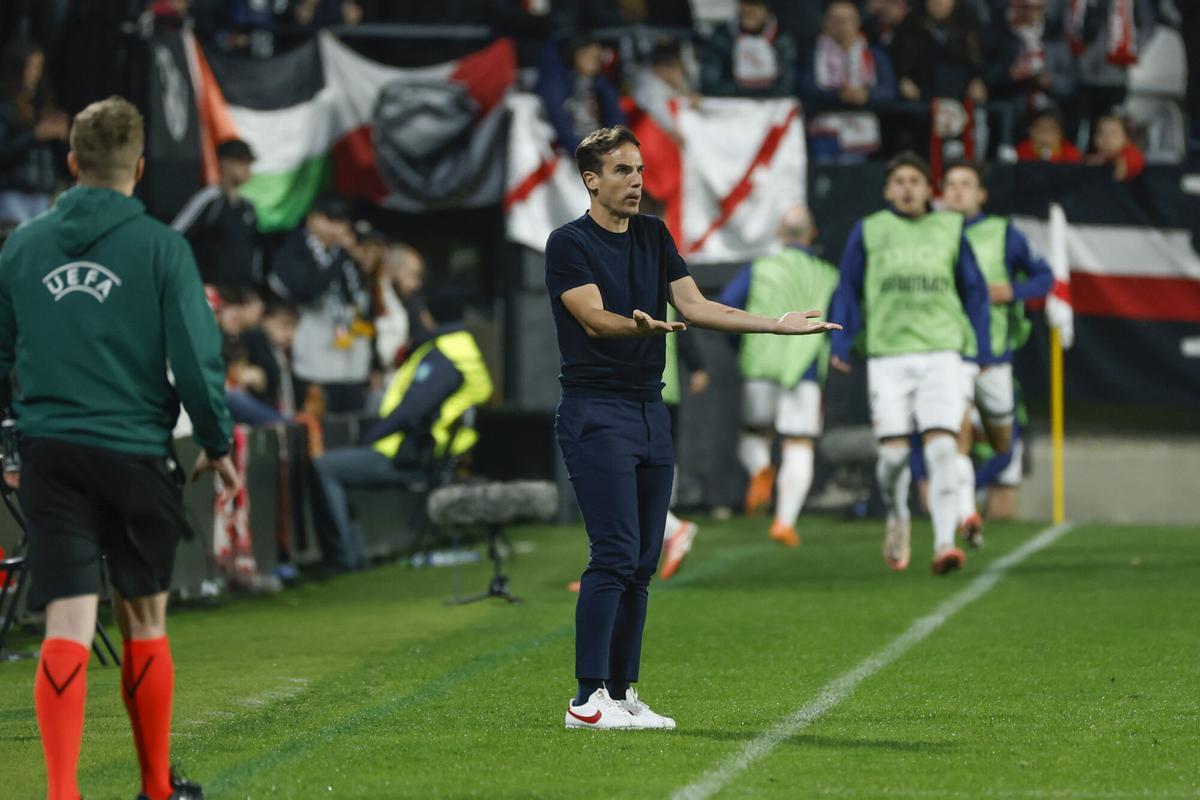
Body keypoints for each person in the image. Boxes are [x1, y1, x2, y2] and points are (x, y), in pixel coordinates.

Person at [547, 125, 839, 730]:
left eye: (639, 170)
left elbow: (698, 306)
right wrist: (639, 327)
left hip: (650, 410)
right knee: (614, 552)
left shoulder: (654, 234)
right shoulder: (567, 242)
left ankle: (623, 695)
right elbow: (593, 317)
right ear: (591, 180)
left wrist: (775, 326)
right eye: (622, 171)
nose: (635, 182)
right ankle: (585, 699)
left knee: (644, 561)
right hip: (595, 410)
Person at [0, 96, 237, 800]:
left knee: (67, 622)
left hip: (50, 453)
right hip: (135, 450)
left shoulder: (20, 246)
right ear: (137, 167)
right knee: (142, 617)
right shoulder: (163, 248)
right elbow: (196, 360)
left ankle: (62, 793)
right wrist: (218, 439)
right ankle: (156, 791)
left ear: (73, 163)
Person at [828, 151, 991, 576]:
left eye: (914, 181)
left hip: (942, 351)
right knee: (894, 459)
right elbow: (848, 287)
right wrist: (841, 343)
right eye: (898, 181)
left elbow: (975, 291)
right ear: (887, 190)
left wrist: (980, 348)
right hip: (889, 354)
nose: (906, 188)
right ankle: (897, 513)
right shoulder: (869, 231)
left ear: (928, 190)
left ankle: (943, 543)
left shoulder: (950, 227)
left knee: (941, 447)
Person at [310, 293, 492, 571]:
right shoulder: (464, 349)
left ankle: (343, 559)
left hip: (411, 455)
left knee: (325, 466)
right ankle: (353, 555)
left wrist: (369, 438)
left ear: (427, 316)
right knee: (336, 467)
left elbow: (411, 411)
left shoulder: (443, 356)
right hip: (436, 454)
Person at [940, 160, 1051, 546]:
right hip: (947, 354)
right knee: (952, 433)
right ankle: (962, 506)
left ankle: (967, 492)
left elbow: (1044, 277)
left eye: (965, 184)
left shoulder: (1004, 234)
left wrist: (1012, 291)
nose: (956, 191)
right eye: (950, 184)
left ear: (981, 194)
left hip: (993, 356)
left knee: (1004, 446)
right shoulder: (929, 233)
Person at [719, 205, 840, 547]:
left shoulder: (760, 269)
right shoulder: (828, 274)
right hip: (804, 369)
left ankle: (759, 468)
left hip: (760, 362)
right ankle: (784, 522)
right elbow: (845, 319)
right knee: (798, 443)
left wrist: (740, 347)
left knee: (753, 433)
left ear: (778, 234)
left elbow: (728, 305)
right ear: (812, 234)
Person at [268, 193, 373, 414]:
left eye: (341, 222)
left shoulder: (346, 255)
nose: (336, 229)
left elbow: (359, 300)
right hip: (310, 358)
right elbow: (309, 290)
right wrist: (342, 256)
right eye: (330, 221)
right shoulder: (293, 251)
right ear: (313, 219)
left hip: (349, 361)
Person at [801, 0, 898, 162]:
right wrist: (839, 95)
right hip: (823, 137)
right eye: (836, 20)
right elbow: (805, 88)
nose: (842, 26)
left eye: (847, 20)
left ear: (857, 22)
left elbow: (889, 91)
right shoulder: (813, 55)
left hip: (862, 137)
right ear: (825, 23)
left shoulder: (874, 55)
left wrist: (866, 96)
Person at [172, 138, 262, 290]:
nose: (248, 169)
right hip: (208, 294)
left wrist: (253, 288)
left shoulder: (248, 207)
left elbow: (254, 252)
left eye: (249, 163)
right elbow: (174, 237)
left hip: (239, 297)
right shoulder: (209, 200)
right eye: (242, 162)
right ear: (225, 163)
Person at [0, 38, 69, 227]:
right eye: (31, 67)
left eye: (39, 67)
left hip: (43, 195)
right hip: (13, 196)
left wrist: (61, 136)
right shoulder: (5, 107)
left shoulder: (41, 105)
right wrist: (35, 136)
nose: (36, 74)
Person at [534, 34, 625, 154]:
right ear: (576, 55)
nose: (595, 61)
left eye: (597, 57)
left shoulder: (601, 84)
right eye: (590, 56)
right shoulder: (558, 85)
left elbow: (615, 117)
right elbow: (560, 122)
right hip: (566, 152)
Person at [700, 0, 798, 98]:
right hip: (729, 103)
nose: (750, 11)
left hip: (772, 104)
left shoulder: (781, 38)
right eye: (746, 3)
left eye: (756, 5)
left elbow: (787, 87)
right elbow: (710, 84)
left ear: (767, 9)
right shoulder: (722, 36)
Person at [1087, 114, 1145, 182]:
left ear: (1127, 139)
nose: (1106, 138)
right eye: (1101, 133)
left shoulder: (1128, 152)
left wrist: (1123, 163)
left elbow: (1136, 158)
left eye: (1113, 134)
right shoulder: (1098, 155)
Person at [1015, 106, 1083, 162]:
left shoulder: (1071, 155)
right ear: (1030, 130)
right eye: (1040, 128)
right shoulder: (1020, 152)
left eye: (1051, 129)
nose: (1045, 134)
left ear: (1060, 133)